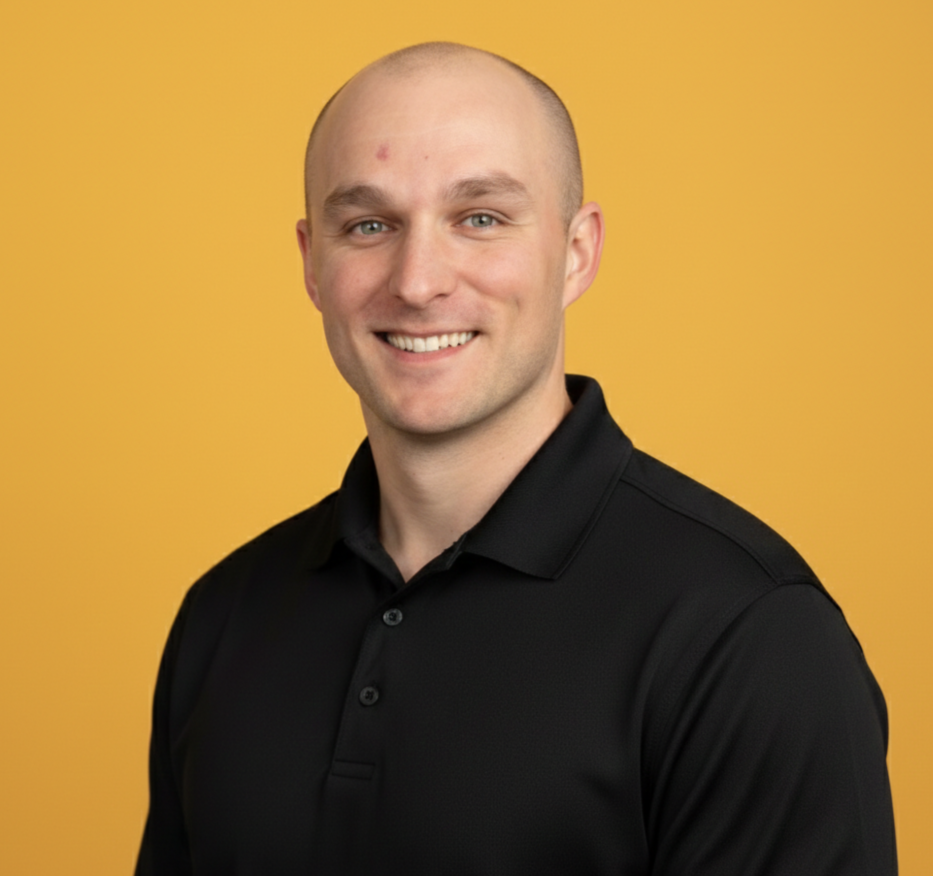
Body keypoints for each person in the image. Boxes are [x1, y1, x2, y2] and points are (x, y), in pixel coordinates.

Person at [135, 42, 897, 875]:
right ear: (312, 262)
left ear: (576, 253)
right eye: (369, 225)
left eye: (481, 218)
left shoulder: (749, 637)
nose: (418, 280)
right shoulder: (224, 614)